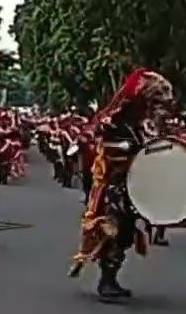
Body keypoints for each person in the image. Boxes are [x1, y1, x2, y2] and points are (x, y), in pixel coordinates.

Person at [67, 68, 175, 301]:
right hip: (113, 184)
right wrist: (133, 151)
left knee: (125, 234)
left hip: (131, 184)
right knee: (113, 232)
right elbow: (106, 147)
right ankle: (106, 282)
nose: (154, 107)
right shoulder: (114, 121)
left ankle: (111, 279)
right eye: (152, 101)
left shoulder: (142, 125)